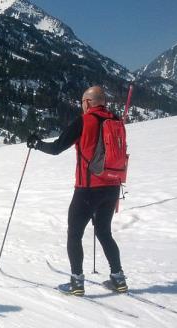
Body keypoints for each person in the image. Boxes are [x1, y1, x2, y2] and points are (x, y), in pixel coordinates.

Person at [26, 86, 127, 296]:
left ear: (89, 102)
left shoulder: (85, 120)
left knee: (74, 234)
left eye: (82, 101)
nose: (81, 105)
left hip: (88, 189)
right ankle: (118, 278)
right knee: (104, 232)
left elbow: (56, 148)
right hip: (113, 186)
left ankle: (77, 283)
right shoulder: (116, 120)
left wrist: (36, 144)